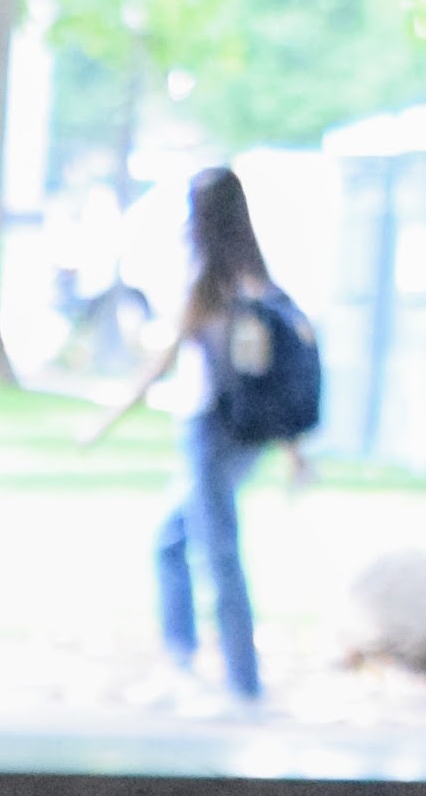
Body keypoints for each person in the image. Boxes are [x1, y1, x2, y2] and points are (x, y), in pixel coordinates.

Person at [88, 165, 299, 704]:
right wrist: (291, 448)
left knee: (217, 552)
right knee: (173, 541)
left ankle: (240, 683)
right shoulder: (258, 281)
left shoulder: (210, 286)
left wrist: (108, 420)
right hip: (244, 436)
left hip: (209, 431)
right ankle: (187, 662)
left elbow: (163, 362)